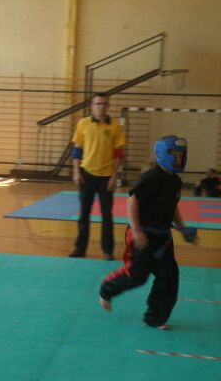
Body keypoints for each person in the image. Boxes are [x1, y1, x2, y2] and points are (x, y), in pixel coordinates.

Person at [99, 136, 198, 330]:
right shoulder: (151, 177)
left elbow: (173, 207)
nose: (178, 159)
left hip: (163, 237)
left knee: (169, 277)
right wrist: (136, 230)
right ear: (163, 154)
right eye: (174, 154)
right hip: (142, 234)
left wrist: (182, 227)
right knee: (137, 276)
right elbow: (132, 201)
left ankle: (155, 318)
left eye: (181, 155)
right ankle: (107, 289)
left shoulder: (175, 181)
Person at [68, 93, 126, 260]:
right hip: (86, 175)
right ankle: (80, 249)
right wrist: (76, 172)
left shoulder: (115, 126)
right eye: (98, 103)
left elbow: (118, 154)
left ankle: (108, 251)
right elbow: (77, 150)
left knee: (107, 216)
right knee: (84, 214)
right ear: (92, 106)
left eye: (104, 104)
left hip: (106, 177)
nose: (101, 107)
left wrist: (115, 177)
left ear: (108, 106)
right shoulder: (83, 124)